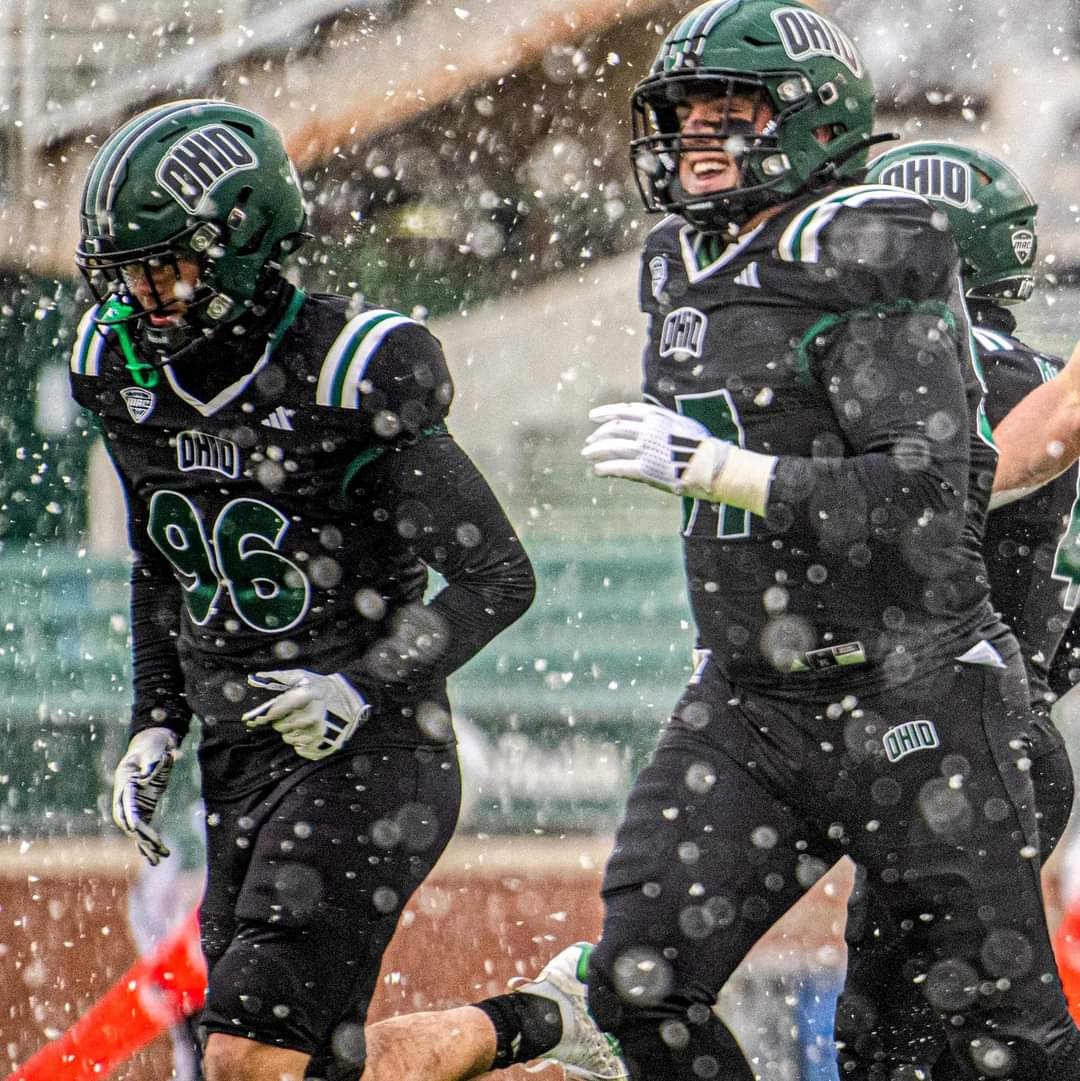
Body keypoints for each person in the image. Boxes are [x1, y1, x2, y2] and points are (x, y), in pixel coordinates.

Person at [68, 98, 622, 1081]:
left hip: (369, 753)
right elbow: (166, 557)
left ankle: (539, 1022)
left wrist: (360, 686)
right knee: (284, 1066)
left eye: (167, 267)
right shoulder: (120, 367)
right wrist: (156, 717)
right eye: (125, 274)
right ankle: (547, 1023)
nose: (142, 299)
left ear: (244, 245)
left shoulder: (345, 369)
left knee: (246, 1057)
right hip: (240, 761)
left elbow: (500, 574)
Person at [578, 1, 1080, 1078]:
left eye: (729, 111)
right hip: (751, 696)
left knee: (1004, 1047)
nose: (696, 136)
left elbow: (926, 498)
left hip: (916, 693)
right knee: (639, 979)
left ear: (807, 119)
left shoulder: (868, 244)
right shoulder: (675, 260)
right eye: (682, 113)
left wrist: (724, 470)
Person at [830, 141, 1078, 1078]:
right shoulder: (1047, 380)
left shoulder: (941, 368)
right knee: (960, 1035)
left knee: (906, 1037)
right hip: (1002, 729)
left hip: (952, 736)